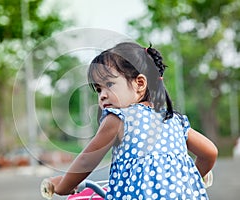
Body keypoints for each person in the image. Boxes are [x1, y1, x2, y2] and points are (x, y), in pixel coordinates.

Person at [47, 42, 218, 199]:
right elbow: (210, 152)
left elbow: (87, 160)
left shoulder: (118, 119)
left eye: (109, 84)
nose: (103, 95)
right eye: (98, 89)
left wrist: (62, 186)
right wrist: (186, 178)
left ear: (140, 83)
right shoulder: (173, 119)